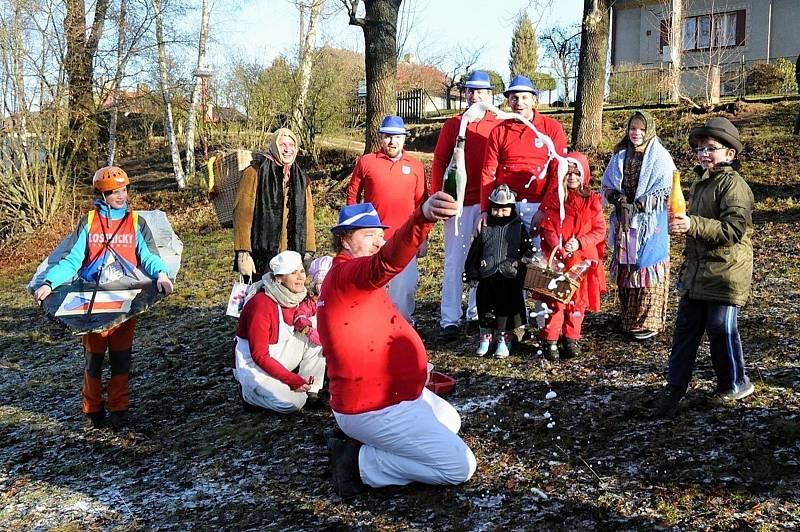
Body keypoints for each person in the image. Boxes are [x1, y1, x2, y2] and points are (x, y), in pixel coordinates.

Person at [318, 197, 477, 498]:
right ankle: (362, 463)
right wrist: (422, 218)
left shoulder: (355, 280)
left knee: (450, 421)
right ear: (344, 241)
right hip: (373, 406)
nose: (378, 242)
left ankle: (361, 441)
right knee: (460, 466)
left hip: (395, 396)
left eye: (380, 235)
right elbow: (386, 262)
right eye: (368, 235)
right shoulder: (347, 275)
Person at [32, 166, 174, 429]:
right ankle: (93, 409)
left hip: (125, 298)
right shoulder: (88, 222)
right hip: (90, 300)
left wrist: (162, 275)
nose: (121, 196)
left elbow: (149, 256)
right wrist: (50, 283)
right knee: (94, 357)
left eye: (123, 190)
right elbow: (72, 260)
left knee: (121, 356)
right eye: (113, 192)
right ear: (101, 194)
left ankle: (119, 408)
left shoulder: (135, 223)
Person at [655, 117, 755, 418]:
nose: (703, 155)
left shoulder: (734, 185)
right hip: (697, 272)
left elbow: (734, 229)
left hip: (727, 273)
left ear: (729, 154)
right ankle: (674, 387)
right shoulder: (701, 182)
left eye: (711, 149)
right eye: (700, 150)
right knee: (686, 329)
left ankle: (735, 383)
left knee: (720, 329)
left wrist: (693, 224)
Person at [431, 71, 500, 341]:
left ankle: (475, 313)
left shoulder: (497, 123)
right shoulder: (454, 124)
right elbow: (439, 160)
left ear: (489, 94)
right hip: (458, 203)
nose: (475, 96)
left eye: (480, 91)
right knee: (454, 261)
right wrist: (438, 195)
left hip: (487, 205)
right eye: (471, 91)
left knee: (481, 261)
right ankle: (450, 318)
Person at [601, 110, 675, 340]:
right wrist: (617, 198)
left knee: (646, 263)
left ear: (649, 130)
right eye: (633, 129)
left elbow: (667, 188)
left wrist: (642, 204)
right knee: (627, 263)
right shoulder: (620, 155)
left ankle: (649, 320)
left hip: (650, 222)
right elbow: (608, 184)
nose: (636, 133)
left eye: (641, 129)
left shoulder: (660, 156)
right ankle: (630, 318)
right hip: (625, 219)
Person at [346, 115, 428, 322]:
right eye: (387, 137)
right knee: (373, 284)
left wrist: (423, 237)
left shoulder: (416, 166)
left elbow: (422, 203)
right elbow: (353, 195)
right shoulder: (367, 161)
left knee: (406, 286)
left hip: (406, 237)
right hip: (372, 236)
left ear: (404, 139)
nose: (392, 142)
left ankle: (402, 323)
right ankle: (373, 323)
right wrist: (353, 230)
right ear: (381, 138)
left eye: (397, 137)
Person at [233, 250, 326, 413]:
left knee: (319, 328)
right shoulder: (261, 305)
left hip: (279, 354)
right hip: (255, 367)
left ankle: (311, 390)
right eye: (293, 273)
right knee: (294, 403)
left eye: (302, 271)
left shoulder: (296, 296)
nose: (300, 277)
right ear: (278, 278)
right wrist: (291, 379)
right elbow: (259, 355)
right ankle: (249, 395)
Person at [538, 152, 606, 360]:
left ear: (583, 174)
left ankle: (571, 337)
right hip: (558, 259)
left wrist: (579, 242)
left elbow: (599, 230)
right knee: (556, 301)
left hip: (581, 260)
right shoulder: (554, 198)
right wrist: (556, 245)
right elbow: (547, 225)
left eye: (576, 173)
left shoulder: (592, 200)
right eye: (568, 173)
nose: (572, 177)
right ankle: (550, 339)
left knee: (577, 301)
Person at [480, 74, 568, 236]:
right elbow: (488, 172)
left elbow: (558, 172)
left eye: (524, 97)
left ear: (534, 99)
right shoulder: (499, 131)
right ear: (508, 101)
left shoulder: (552, 128)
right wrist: (485, 209)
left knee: (539, 259)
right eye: (514, 98)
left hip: (537, 205)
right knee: (504, 258)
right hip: (504, 205)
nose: (519, 102)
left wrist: (545, 209)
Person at [233, 128, 316, 282]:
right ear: (274, 146)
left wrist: (309, 252)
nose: (287, 149)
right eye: (283, 144)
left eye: (292, 145)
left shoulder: (301, 179)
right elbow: (242, 214)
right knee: (260, 299)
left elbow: (308, 217)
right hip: (261, 255)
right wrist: (243, 253)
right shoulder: (254, 172)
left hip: (291, 253)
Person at [463, 185, 532, 358]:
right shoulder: (485, 227)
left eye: (504, 210)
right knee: (485, 307)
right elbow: (475, 252)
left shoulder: (518, 228)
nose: (499, 213)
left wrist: (527, 268)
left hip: (510, 277)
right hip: (488, 276)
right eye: (496, 209)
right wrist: (471, 273)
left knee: (506, 309)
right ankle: (485, 337)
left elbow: (526, 250)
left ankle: (503, 338)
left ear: (512, 209)